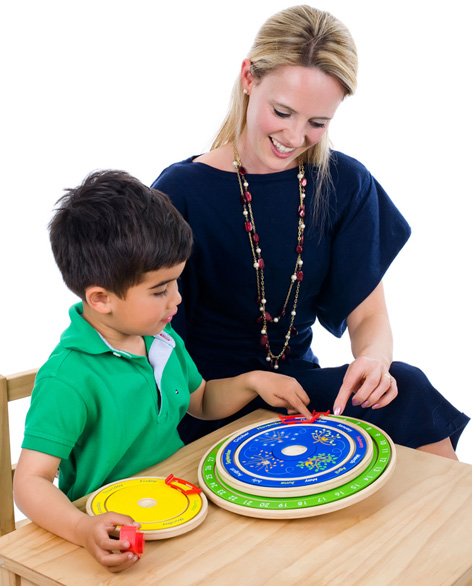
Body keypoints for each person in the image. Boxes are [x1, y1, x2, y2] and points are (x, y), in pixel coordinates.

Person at [151, 5, 469, 458]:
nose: (296, 136)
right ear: (248, 78)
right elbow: (155, 345)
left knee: (408, 387)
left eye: (318, 123)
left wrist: (374, 362)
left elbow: (368, 317)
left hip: (296, 394)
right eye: (283, 112)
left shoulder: (344, 183)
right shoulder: (178, 193)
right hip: (206, 401)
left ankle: (449, 523)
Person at [13, 170, 312, 573]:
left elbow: (200, 400)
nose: (177, 298)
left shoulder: (160, 338)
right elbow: (30, 482)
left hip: (180, 508)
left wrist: (251, 381)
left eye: (176, 282)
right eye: (160, 290)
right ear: (101, 298)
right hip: (113, 535)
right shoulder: (68, 378)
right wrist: (84, 529)